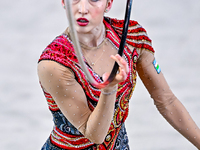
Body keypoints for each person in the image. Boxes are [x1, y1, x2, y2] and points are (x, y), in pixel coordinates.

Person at [37, 0, 200, 149]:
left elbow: (166, 100)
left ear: (109, 4)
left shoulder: (132, 38)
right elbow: (94, 134)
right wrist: (109, 89)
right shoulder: (54, 64)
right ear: (64, 2)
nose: (82, 9)